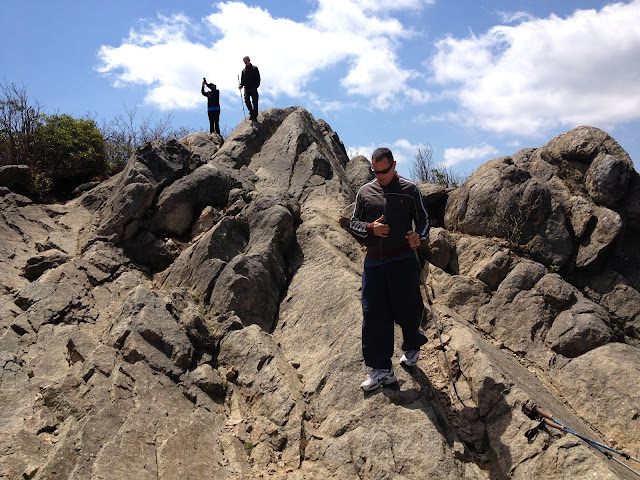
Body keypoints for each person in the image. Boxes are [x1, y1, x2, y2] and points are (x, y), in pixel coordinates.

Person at [350, 147, 430, 391]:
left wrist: (420, 237)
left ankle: (412, 344)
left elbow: (424, 221)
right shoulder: (365, 192)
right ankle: (382, 370)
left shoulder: (409, 190)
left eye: (385, 171)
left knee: (408, 309)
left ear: (394, 165)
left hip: (403, 258)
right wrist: (370, 229)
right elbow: (353, 224)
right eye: (376, 171)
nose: (381, 175)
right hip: (374, 261)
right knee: (373, 315)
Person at [238, 56, 260, 121]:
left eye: (245, 60)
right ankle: (251, 113)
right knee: (247, 100)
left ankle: (254, 116)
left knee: (255, 102)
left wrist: (256, 86)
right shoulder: (243, 71)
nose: (244, 62)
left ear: (248, 60)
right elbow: (242, 81)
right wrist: (241, 85)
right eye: (244, 61)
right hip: (246, 88)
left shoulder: (255, 68)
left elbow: (258, 78)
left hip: (253, 87)